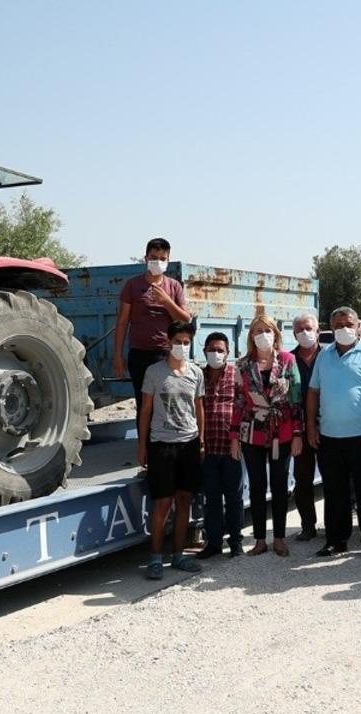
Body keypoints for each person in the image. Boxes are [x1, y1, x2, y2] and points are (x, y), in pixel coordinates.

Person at [306, 307, 361, 559]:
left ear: (357, 326)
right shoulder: (324, 356)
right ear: (331, 327)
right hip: (330, 437)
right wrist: (311, 426)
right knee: (334, 492)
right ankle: (336, 540)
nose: (344, 328)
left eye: (349, 323)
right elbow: (313, 391)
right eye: (339, 324)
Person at [137, 320, 205, 579]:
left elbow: (199, 409)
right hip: (161, 445)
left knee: (184, 501)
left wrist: (202, 441)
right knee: (162, 503)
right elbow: (145, 411)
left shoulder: (196, 373)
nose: (181, 346)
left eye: (186, 342)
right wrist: (142, 446)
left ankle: (178, 555)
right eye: (177, 342)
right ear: (168, 342)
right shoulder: (154, 372)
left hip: (188, 444)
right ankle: (155, 558)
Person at [231, 315, 304, 557]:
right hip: (252, 433)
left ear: (275, 333)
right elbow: (238, 403)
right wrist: (234, 437)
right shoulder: (241, 365)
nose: (262, 334)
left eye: (267, 330)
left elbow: (295, 400)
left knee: (280, 485)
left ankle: (280, 538)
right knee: (257, 486)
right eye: (257, 330)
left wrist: (297, 434)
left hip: (281, 432)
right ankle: (260, 539)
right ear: (251, 336)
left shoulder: (287, 360)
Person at [113, 237, 191, 415]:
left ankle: (163, 442)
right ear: (146, 258)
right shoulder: (132, 285)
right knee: (144, 405)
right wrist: (117, 356)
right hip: (139, 354)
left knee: (166, 402)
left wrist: (166, 301)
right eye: (154, 257)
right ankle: (143, 443)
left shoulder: (174, 286)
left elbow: (186, 319)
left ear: (168, 260)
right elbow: (122, 322)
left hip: (166, 354)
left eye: (163, 259)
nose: (158, 262)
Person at [197, 332, 244, 559]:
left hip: (231, 448)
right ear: (204, 350)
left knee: (234, 498)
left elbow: (245, 407)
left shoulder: (237, 375)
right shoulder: (198, 376)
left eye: (220, 350)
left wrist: (240, 440)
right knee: (211, 499)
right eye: (211, 349)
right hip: (208, 449)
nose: (215, 354)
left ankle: (235, 542)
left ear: (228, 353)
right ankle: (214, 543)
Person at [291, 312, 323, 541]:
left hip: (330, 427)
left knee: (334, 479)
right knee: (302, 480)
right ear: (294, 334)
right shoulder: (288, 360)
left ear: (318, 331)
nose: (305, 333)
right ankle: (308, 525)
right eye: (300, 330)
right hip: (298, 429)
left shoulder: (330, 356)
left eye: (308, 328)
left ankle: (334, 524)